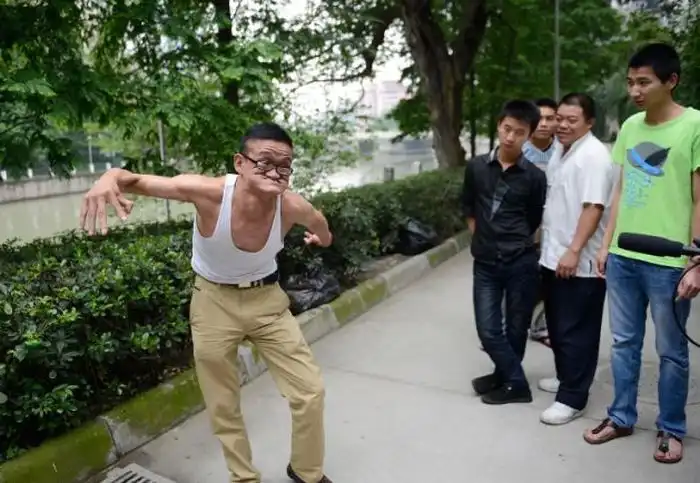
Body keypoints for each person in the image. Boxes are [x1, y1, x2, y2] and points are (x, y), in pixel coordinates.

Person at [80, 122, 334, 483]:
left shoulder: (292, 206)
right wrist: (108, 177)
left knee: (310, 392)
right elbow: (133, 180)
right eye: (265, 162)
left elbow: (320, 224)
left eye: (285, 165)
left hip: (267, 303)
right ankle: (243, 477)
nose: (275, 172)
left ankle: (306, 472)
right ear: (240, 163)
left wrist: (320, 238)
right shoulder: (208, 193)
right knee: (223, 403)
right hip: (213, 303)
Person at [583, 43, 700, 464]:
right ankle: (621, 417)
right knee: (623, 344)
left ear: (671, 81)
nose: (635, 90)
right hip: (624, 257)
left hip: (671, 262)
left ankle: (671, 428)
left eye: (644, 82)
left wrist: (696, 261)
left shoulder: (694, 125)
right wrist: (606, 244)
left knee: (671, 352)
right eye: (631, 82)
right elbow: (621, 189)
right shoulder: (631, 126)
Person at [462, 99, 548, 405]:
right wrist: (484, 238)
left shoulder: (535, 177)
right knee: (487, 329)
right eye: (507, 128)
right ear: (499, 125)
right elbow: (469, 208)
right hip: (485, 262)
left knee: (516, 327)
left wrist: (511, 240)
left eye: (519, 132)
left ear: (530, 135)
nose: (510, 137)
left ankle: (505, 378)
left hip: (520, 261)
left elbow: (533, 218)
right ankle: (515, 381)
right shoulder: (476, 167)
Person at [537, 93, 615, 425]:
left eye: (571, 120)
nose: (562, 125)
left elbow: (593, 207)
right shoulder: (561, 150)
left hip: (579, 261)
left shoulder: (594, 156)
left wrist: (574, 250)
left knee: (577, 330)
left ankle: (573, 398)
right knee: (557, 324)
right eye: (559, 118)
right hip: (553, 255)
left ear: (589, 122)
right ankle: (565, 377)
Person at [522, 97, 562, 348]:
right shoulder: (518, 150)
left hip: (555, 227)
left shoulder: (563, 151)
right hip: (524, 227)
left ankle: (541, 327)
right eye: (539, 118)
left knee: (550, 279)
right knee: (518, 277)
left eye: (550, 118)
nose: (544, 124)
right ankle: (505, 327)